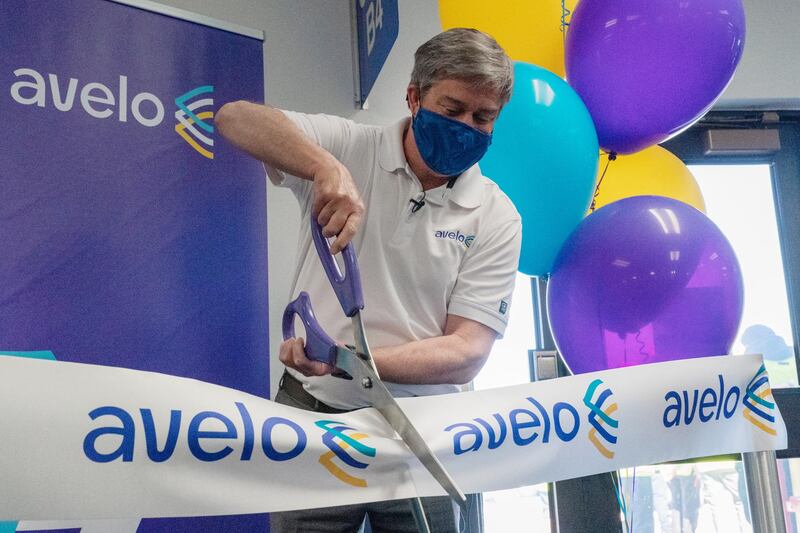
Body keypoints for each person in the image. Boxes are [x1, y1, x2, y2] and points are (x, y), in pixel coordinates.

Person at [217, 27, 522, 533]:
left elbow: (467, 349)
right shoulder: (349, 145)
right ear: (414, 96)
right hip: (314, 416)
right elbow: (234, 118)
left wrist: (349, 363)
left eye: (483, 117)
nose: (467, 126)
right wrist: (325, 169)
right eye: (452, 110)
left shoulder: (496, 216)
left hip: (429, 436)